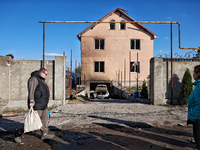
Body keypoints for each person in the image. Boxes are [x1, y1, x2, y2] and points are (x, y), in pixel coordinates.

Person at [14, 68, 54, 143]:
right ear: (41, 73)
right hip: (37, 104)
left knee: (44, 120)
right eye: (45, 74)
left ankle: (45, 134)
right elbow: (31, 90)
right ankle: (18, 133)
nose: (46, 75)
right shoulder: (34, 79)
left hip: (43, 105)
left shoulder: (41, 80)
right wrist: (32, 101)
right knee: (32, 122)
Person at [187, 65, 200, 150]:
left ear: (198, 73)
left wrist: (192, 116)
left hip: (198, 119)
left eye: (193, 72)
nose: (193, 74)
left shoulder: (199, 86)